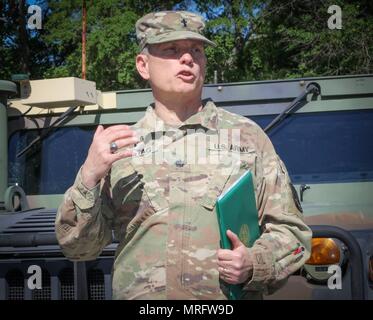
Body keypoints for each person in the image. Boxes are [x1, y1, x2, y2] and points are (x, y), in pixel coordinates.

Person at [55, 10, 312, 300]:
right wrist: (88, 176)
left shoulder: (248, 138)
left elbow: (293, 234)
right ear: (143, 65)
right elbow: (78, 248)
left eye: (196, 50)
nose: (188, 58)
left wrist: (254, 263)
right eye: (172, 49)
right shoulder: (119, 147)